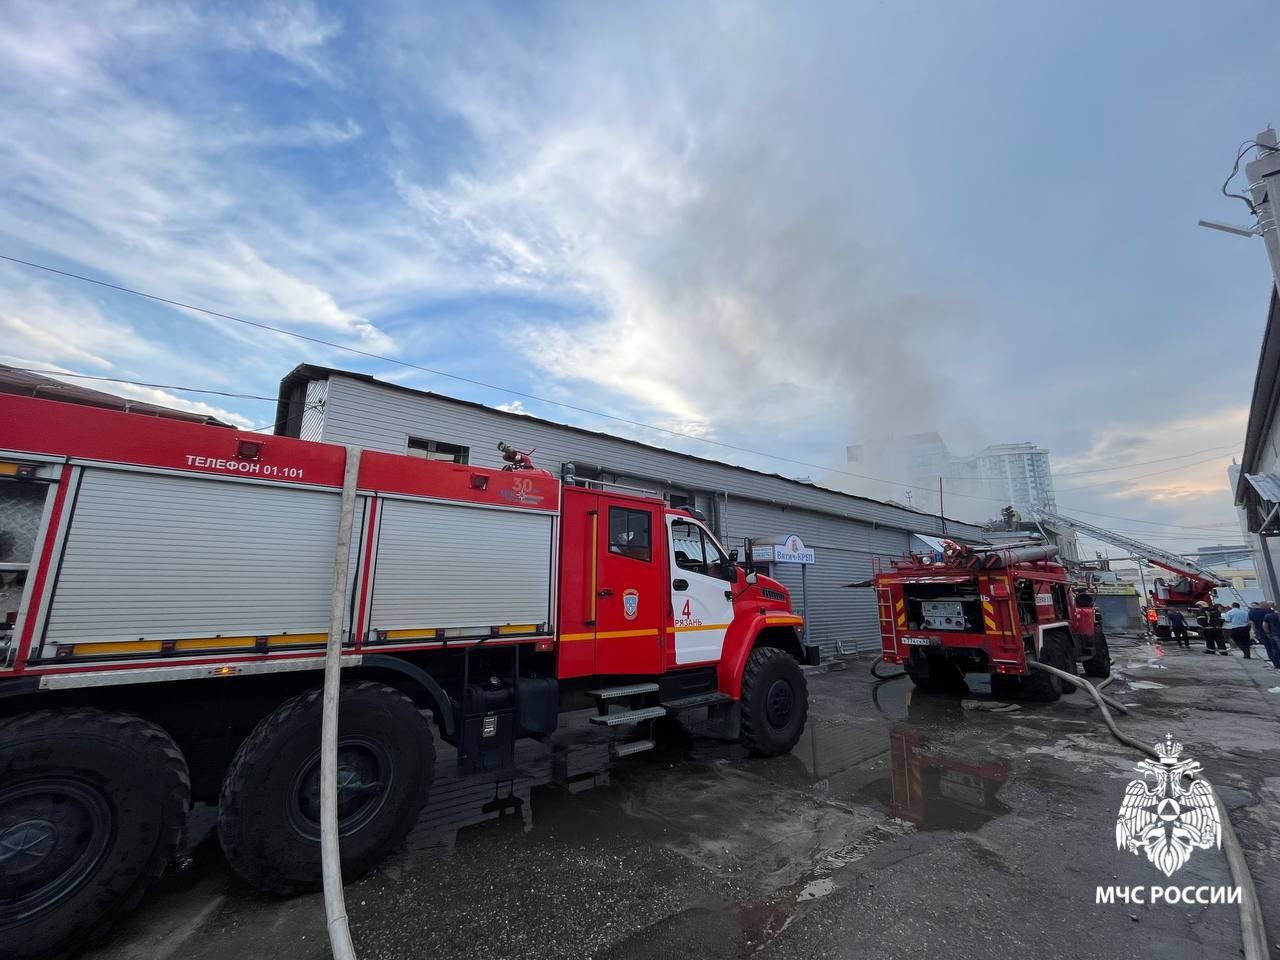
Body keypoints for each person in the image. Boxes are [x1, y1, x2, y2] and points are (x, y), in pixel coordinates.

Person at [1262, 603, 1280, 670]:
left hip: (1274, 634)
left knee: (1275, 649)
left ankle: (1277, 665)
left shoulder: (1268, 616)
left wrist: (1267, 633)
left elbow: (1264, 626)